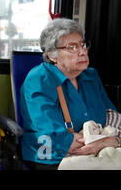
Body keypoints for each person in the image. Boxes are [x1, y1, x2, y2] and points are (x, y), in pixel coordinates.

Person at [19, 18, 120, 170]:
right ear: (52, 56)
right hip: (52, 157)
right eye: (72, 47)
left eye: (82, 44)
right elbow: (55, 137)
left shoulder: (90, 76)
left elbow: (113, 117)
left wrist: (109, 141)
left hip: (99, 151)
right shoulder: (39, 80)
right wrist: (106, 141)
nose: (82, 51)